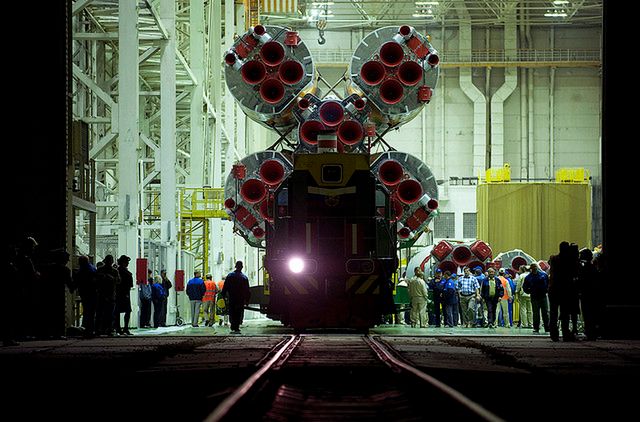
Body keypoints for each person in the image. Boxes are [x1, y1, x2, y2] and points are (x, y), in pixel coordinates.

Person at [548, 242, 579, 341]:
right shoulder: (570, 261)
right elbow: (575, 272)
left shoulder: (553, 259)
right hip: (565, 289)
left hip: (553, 289)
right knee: (565, 313)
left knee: (553, 313)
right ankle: (565, 333)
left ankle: (554, 334)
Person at [221, 261, 251, 334]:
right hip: (240, 298)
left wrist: (223, 295)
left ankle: (233, 325)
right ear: (242, 267)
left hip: (232, 297)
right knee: (239, 312)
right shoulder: (244, 277)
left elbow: (225, 287)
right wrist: (247, 300)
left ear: (235, 266)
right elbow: (247, 290)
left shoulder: (230, 276)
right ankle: (237, 326)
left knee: (232, 311)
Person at [577, 248, 600, 340]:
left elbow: (581, 280)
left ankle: (590, 333)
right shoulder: (593, 267)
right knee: (591, 314)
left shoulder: (585, 268)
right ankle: (592, 333)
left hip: (586, 294)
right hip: (591, 294)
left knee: (587, 314)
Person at [95, 255, 120, 336]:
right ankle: (106, 329)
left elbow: (118, 281)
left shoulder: (101, 270)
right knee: (106, 313)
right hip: (107, 294)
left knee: (104, 313)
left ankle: (102, 329)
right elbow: (118, 281)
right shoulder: (113, 271)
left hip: (105, 294)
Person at [74, 255, 98, 338]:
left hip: (86, 294)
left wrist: (73, 287)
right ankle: (90, 330)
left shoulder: (82, 270)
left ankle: (87, 330)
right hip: (93, 293)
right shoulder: (92, 269)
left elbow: (77, 281)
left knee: (87, 312)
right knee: (91, 312)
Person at [523, 262, 550, 335]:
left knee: (545, 313)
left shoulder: (543, 275)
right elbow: (524, 287)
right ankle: (536, 328)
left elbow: (548, 284)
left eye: (535, 267)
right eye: (533, 267)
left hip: (543, 296)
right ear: (531, 268)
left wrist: (546, 290)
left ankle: (547, 328)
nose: (534, 268)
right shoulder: (528, 277)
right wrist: (529, 292)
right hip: (534, 297)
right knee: (536, 313)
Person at [115, 255, 133, 336]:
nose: (128, 263)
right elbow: (129, 284)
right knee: (127, 311)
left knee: (117, 311)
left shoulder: (117, 271)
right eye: (127, 262)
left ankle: (118, 328)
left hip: (118, 293)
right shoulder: (125, 272)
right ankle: (125, 328)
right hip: (124, 293)